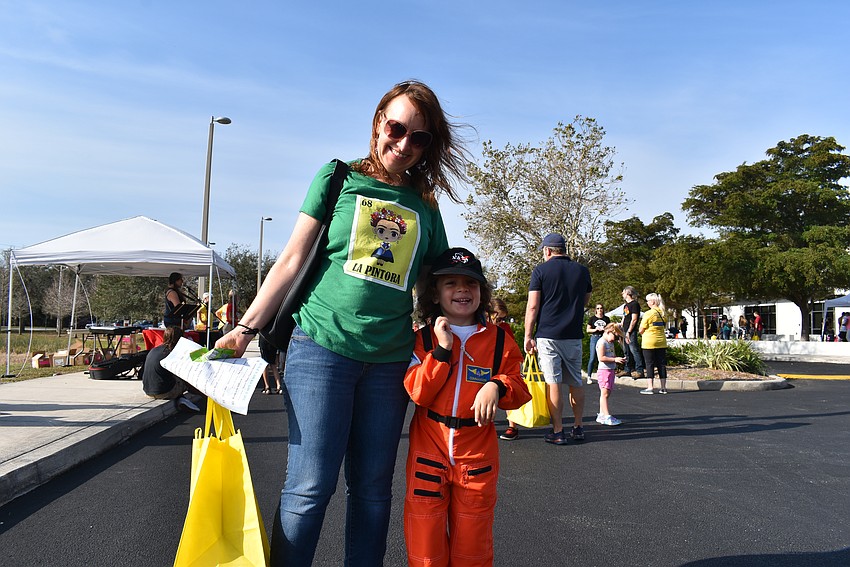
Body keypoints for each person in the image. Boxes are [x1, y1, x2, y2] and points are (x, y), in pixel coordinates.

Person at [214, 80, 467, 566]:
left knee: (372, 492)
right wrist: (245, 330)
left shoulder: (425, 205)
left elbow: (436, 283)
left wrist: (476, 330)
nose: (404, 144)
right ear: (378, 122)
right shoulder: (337, 179)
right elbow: (290, 260)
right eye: (397, 128)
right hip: (320, 349)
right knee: (310, 487)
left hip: (391, 362)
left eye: (420, 138)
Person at [403, 247, 530, 567]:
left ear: (481, 292)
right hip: (428, 451)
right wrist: (443, 352)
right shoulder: (423, 339)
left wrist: (497, 385)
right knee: (425, 546)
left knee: (472, 547)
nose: (462, 290)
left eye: (470, 284)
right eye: (451, 283)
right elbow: (417, 391)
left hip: (477, 455)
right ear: (435, 293)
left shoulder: (500, 339)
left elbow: (520, 387)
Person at [522, 233, 592, 446]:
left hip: (548, 334)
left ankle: (558, 430)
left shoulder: (541, 271)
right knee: (575, 382)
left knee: (553, 383)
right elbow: (586, 299)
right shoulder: (582, 271)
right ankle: (578, 426)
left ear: (548, 250)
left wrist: (527, 335)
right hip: (573, 335)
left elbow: (533, 306)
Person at [141, 326, 204, 412]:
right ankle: (182, 398)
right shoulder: (174, 353)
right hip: (165, 392)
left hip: (148, 391)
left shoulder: (154, 350)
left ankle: (182, 399)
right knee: (187, 377)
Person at [595, 322, 626, 426]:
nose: (615, 339)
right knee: (604, 393)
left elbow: (612, 355)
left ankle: (601, 415)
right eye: (615, 336)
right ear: (608, 332)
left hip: (610, 370)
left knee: (606, 393)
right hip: (604, 371)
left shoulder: (610, 342)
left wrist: (618, 360)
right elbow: (601, 357)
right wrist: (615, 359)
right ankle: (607, 416)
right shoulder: (602, 342)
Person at [639, 293, 668, 394]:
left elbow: (641, 329)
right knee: (661, 364)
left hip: (649, 341)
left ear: (653, 302)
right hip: (661, 341)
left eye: (648, 301)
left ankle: (650, 387)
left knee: (649, 364)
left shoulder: (648, 313)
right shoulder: (663, 312)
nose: (647, 302)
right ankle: (663, 387)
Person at [618, 286, 645, 379]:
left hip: (631, 331)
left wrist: (629, 331)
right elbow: (625, 317)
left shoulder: (634, 304)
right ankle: (627, 369)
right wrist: (620, 326)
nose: (622, 294)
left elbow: (634, 319)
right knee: (627, 351)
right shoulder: (626, 305)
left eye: (623, 292)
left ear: (628, 293)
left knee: (634, 350)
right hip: (625, 331)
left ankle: (640, 370)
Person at [585, 303, 610, 383]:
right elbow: (588, 330)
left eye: (601, 308)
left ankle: (602, 376)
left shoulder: (606, 319)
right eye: (598, 308)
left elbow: (610, 329)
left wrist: (605, 329)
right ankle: (589, 376)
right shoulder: (592, 319)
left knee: (602, 358)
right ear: (596, 310)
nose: (600, 310)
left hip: (603, 338)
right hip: (595, 337)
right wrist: (595, 329)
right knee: (592, 357)